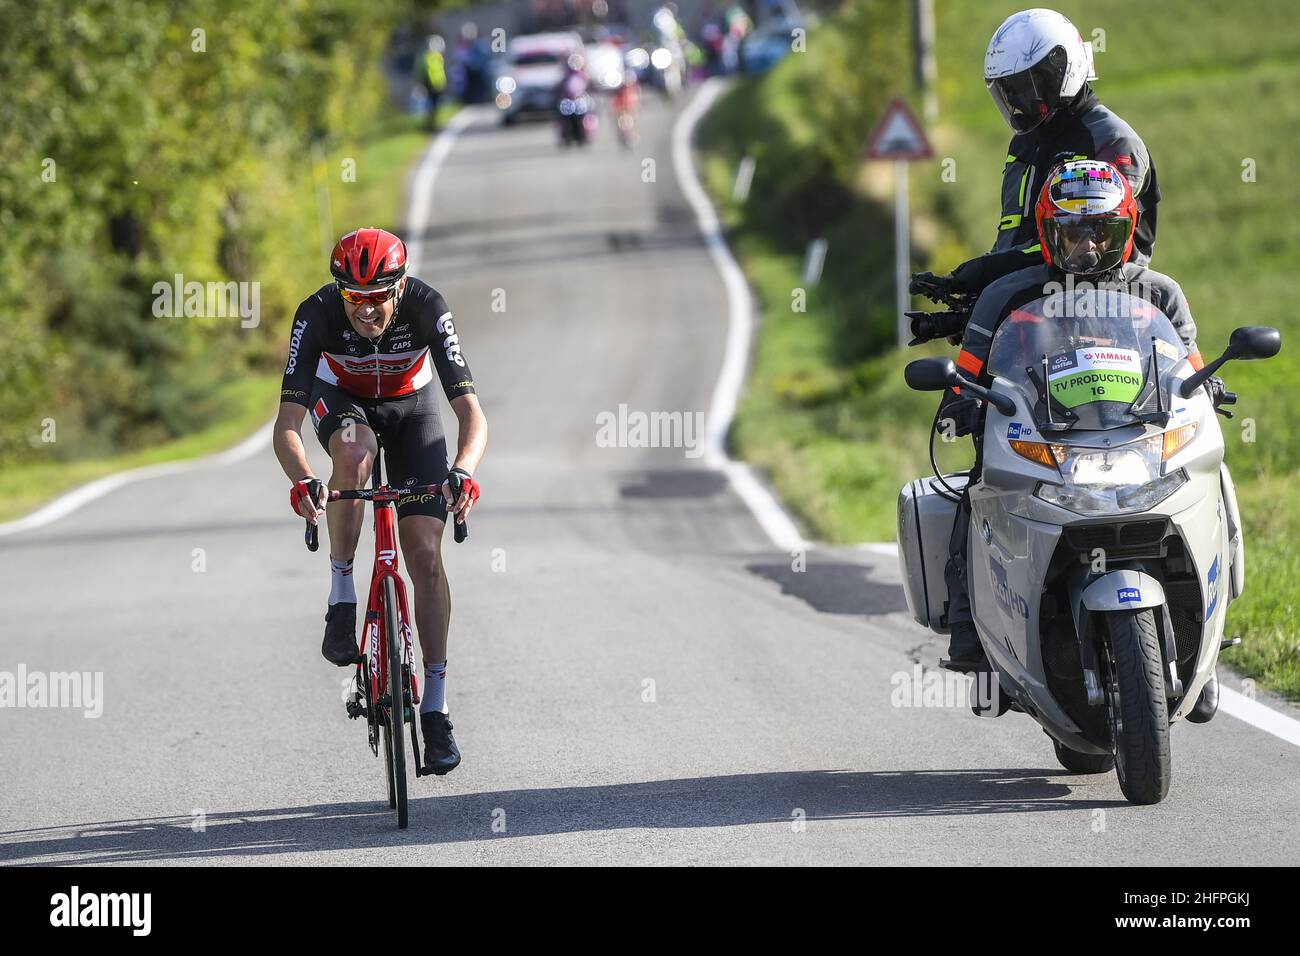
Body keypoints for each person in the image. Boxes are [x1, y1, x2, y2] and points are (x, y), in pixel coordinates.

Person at [938, 160, 1219, 673]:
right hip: (1042, 437)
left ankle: (1216, 608)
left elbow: (1192, 365)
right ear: (1048, 233)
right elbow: (969, 372)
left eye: (1101, 231)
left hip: (1139, 434)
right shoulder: (1007, 295)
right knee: (975, 491)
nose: (1087, 246)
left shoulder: (1159, 292)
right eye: (1072, 232)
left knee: (1211, 470)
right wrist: (960, 401)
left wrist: (1211, 386)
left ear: (1126, 229)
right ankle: (967, 627)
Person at [273, 228, 487, 773]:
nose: (365, 310)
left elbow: (470, 414)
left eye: (376, 297)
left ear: (400, 286)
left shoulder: (426, 306)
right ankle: (342, 594)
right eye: (353, 298)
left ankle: (436, 710)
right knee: (354, 452)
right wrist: (302, 480)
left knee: (424, 555)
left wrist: (463, 471)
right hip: (342, 403)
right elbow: (287, 426)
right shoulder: (316, 313)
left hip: (411, 409)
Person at [911, 8, 1161, 303]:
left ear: (1058, 72)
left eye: (1023, 88)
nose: (1016, 101)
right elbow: (1014, 239)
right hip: (1027, 308)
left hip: (1104, 307)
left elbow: (1085, 244)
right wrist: (973, 300)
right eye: (1008, 91)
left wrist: (983, 273)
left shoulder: (1113, 141)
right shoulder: (1025, 142)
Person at [416, 36, 448, 131]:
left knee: (431, 106)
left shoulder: (426, 57)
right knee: (434, 106)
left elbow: (420, 71)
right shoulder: (438, 57)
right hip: (437, 85)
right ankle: (432, 124)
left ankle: (431, 124)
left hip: (430, 84)